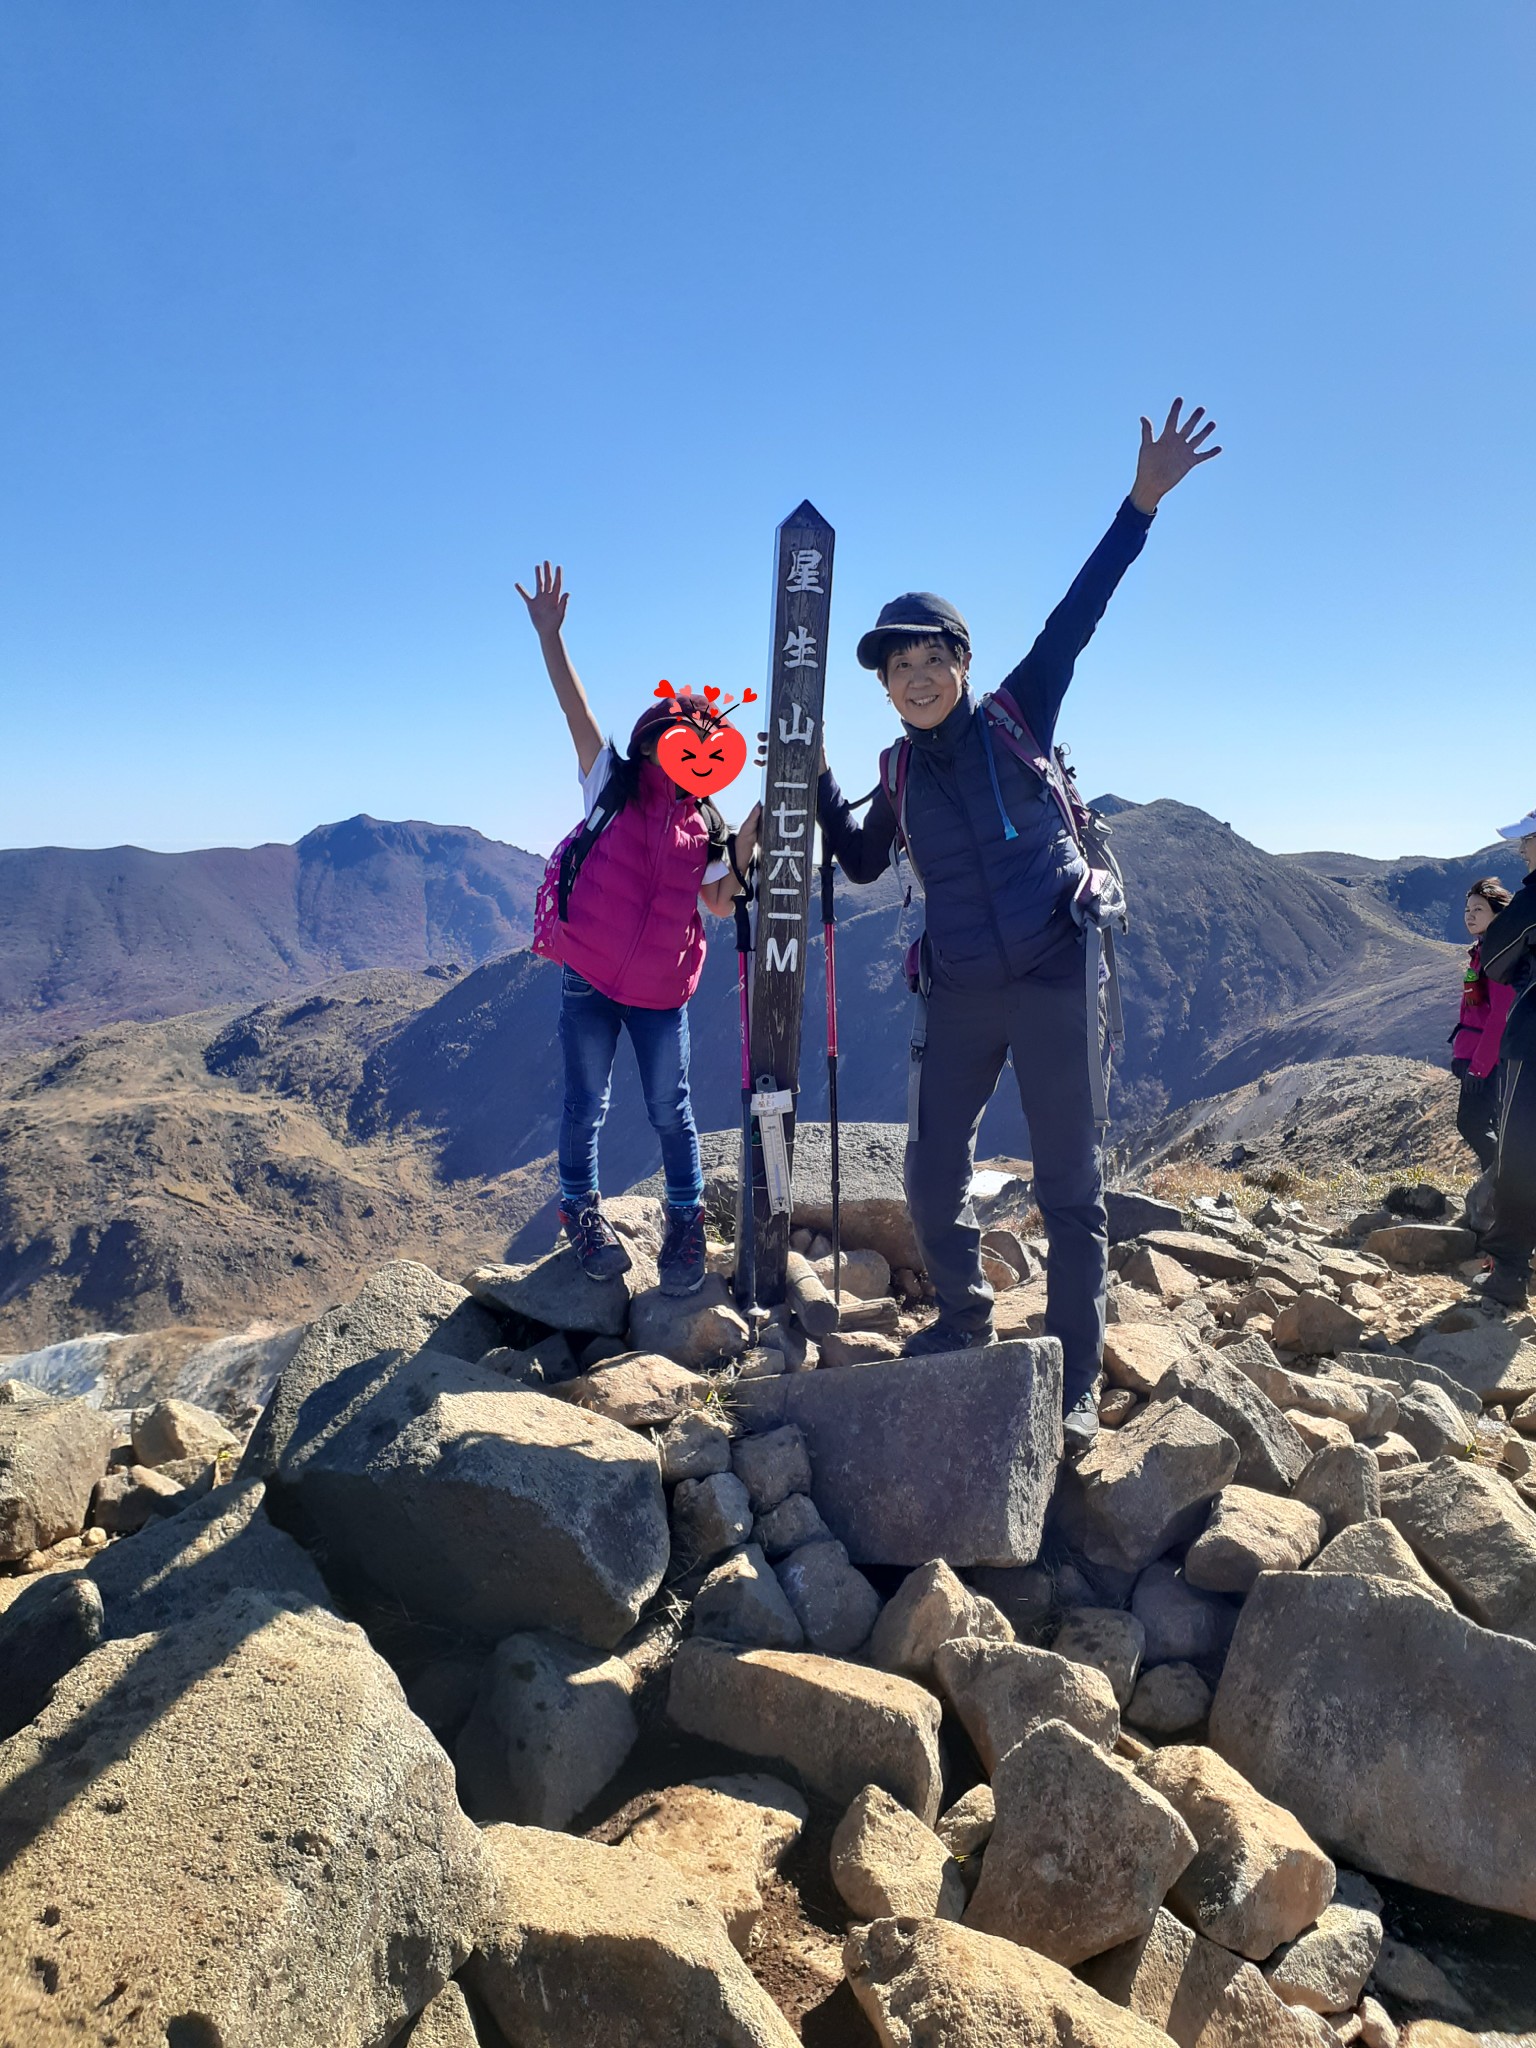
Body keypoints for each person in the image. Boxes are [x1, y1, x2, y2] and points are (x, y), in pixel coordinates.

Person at [816, 401, 1220, 1446]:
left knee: (1071, 1181)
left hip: (1049, 968)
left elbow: (1077, 613)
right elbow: (863, 863)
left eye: (926, 658)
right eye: (894, 667)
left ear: (958, 658)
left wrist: (1140, 503)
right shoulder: (896, 770)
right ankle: (964, 1318)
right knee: (927, 1169)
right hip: (956, 988)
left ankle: (1077, 1380)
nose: (911, 676)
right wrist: (813, 783)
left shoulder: (1016, 711)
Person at [517, 561, 759, 1296]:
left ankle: (685, 1223)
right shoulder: (610, 783)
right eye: (682, 740)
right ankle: (582, 1213)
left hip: (660, 995)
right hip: (588, 979)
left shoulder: (705, 825)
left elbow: (719, 902)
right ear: (654, 739)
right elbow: (574, 710)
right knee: (584, 1105)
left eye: (707, 748)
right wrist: (551, 638)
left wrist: (756, 828)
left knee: (670, 1109)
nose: (693, 755)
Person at [1477, 809, 1536, 1308]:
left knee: (1518, 1150)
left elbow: (1496, 959)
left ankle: (1509, 1270)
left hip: (1532, 1040)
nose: (1522, 852)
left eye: (1527, 841)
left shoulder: (1533, 899)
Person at [1451, 878, 1515, 1171]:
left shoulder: (1496, 955)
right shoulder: (1481, 951)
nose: (1470, 916)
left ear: (1497, 914)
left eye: (1478, 909)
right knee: (1483, 1124)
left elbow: (1499, 1015)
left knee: (1473, 1123)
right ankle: (1497, 1188)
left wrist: (1478, 1066)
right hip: (1476, 1059)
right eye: (1467, 909)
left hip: (1486, 1062)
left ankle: (1503, 1183)